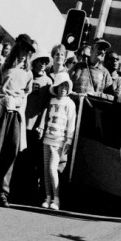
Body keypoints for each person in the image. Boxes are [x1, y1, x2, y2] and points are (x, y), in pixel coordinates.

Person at [0, 34, 36, 206]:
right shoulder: (4, 68)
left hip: (16, 114)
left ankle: (2, 193)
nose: (25, 52)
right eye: (23, 48)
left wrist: (19, 102)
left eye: (28, 50)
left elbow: (27, 92)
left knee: (11, 152)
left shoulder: (28, 73)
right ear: (17, 47)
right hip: (2, 111)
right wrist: (4, 100)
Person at [39, 73, 76, 211]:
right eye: (61, 85)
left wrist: (69, 139)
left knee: (52, 168)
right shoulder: (51, 101)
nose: (63, 88)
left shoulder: (70, 103)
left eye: (66, 85)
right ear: (56, 87)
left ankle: (57, 198)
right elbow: (46, 117)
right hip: (47, 138)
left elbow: (71, 123)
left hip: (59, 140)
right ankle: (48, 197)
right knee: (45, 169)